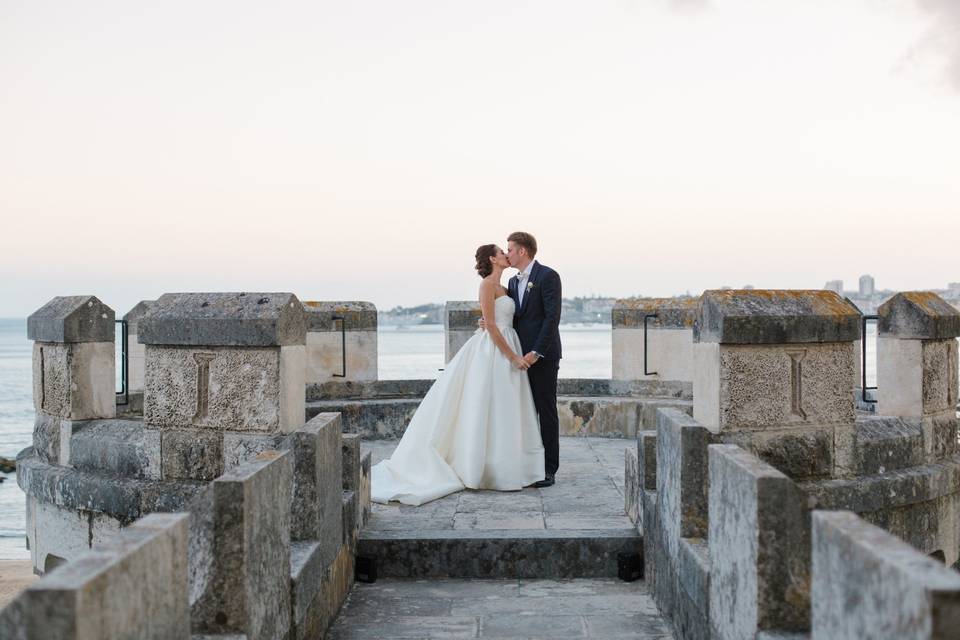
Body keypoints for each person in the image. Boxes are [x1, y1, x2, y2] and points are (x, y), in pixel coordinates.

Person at [370, 244, 545, 506]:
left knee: (505, 408)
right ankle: (477, 467)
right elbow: (492, 326)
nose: (506, 255)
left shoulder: (507, 287)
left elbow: (503, 319)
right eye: (502, 252)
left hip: (510, 343)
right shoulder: (486, 285)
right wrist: (512, 357)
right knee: (484, 405)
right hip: (493, 350)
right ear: (492, 258)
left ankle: (505, 467)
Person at [503, 231, 562, 487]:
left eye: (510, 250)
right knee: (524, 411)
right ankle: (527, 464)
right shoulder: (513, 282)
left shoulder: (548, 276)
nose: (507, 254)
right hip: (518, 357)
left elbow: (552, 318)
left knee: (545, 410)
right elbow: (513, 317)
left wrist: (536, 352)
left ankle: (549, 469)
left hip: (543, 356)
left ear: (523, 251)